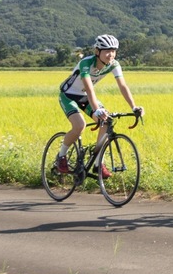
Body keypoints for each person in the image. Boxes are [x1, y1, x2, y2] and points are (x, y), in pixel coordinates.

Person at [55, 34, 143, 175]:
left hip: (84, 97)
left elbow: (123, 86)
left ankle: (98, 163)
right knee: (79, 125)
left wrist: (134, 107)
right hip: (68, 95)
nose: (111, 55)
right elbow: (89, 88)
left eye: (113, 51)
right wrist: (96, 110)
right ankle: (61, 156)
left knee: (106, 122)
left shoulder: (114, 64)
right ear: (97, 52)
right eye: (107, 51)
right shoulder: (86, 63)